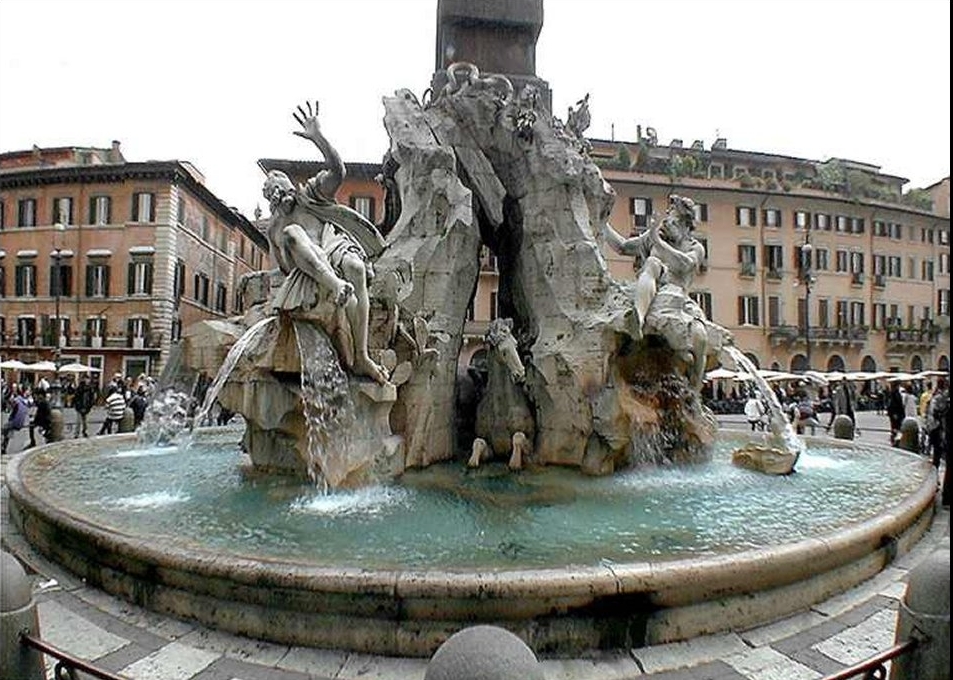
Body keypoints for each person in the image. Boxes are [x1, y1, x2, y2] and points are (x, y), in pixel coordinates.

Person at [264, 100, 388, 385]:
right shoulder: (276, 228)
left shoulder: (311, 194)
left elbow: (338, 171)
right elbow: (284, 269)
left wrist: (318, 138)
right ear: (269, 201)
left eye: (282, 189)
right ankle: (337, 286)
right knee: (293, 233)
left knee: (356, 267)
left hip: (333, 245)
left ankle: (362, 357)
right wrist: (283, 244)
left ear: (290, 187)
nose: (280, 195)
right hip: (309, 266)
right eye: (273, 194)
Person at [601, 194, 710, 386]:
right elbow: (622, 247)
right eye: (667, 217)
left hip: (679, 297)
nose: (667, 222)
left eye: (673, 218)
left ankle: (697, 383)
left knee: (700, 337)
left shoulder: (694, 246)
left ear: (685, 224)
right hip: (652, 289)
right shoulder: (655, 236)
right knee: (652, 262)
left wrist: (658, 242)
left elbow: (686, 264)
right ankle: (639, 318)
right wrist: (601, 221)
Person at [925, 376, 948, 469]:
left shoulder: (934, 396)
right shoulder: (941, 397)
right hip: (939, 427)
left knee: (936, 450)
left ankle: (935, 470)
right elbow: (938, 412)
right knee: (938, 449)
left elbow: (930, 410)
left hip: (933, 426)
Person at [2, 389, 31, 454]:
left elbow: (13, 405)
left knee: (4, 429)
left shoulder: (18, 400)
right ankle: (4, 446)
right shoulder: (26, 403)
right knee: (8, 432)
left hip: (14, 422)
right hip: (19, 423)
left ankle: (3, 445)